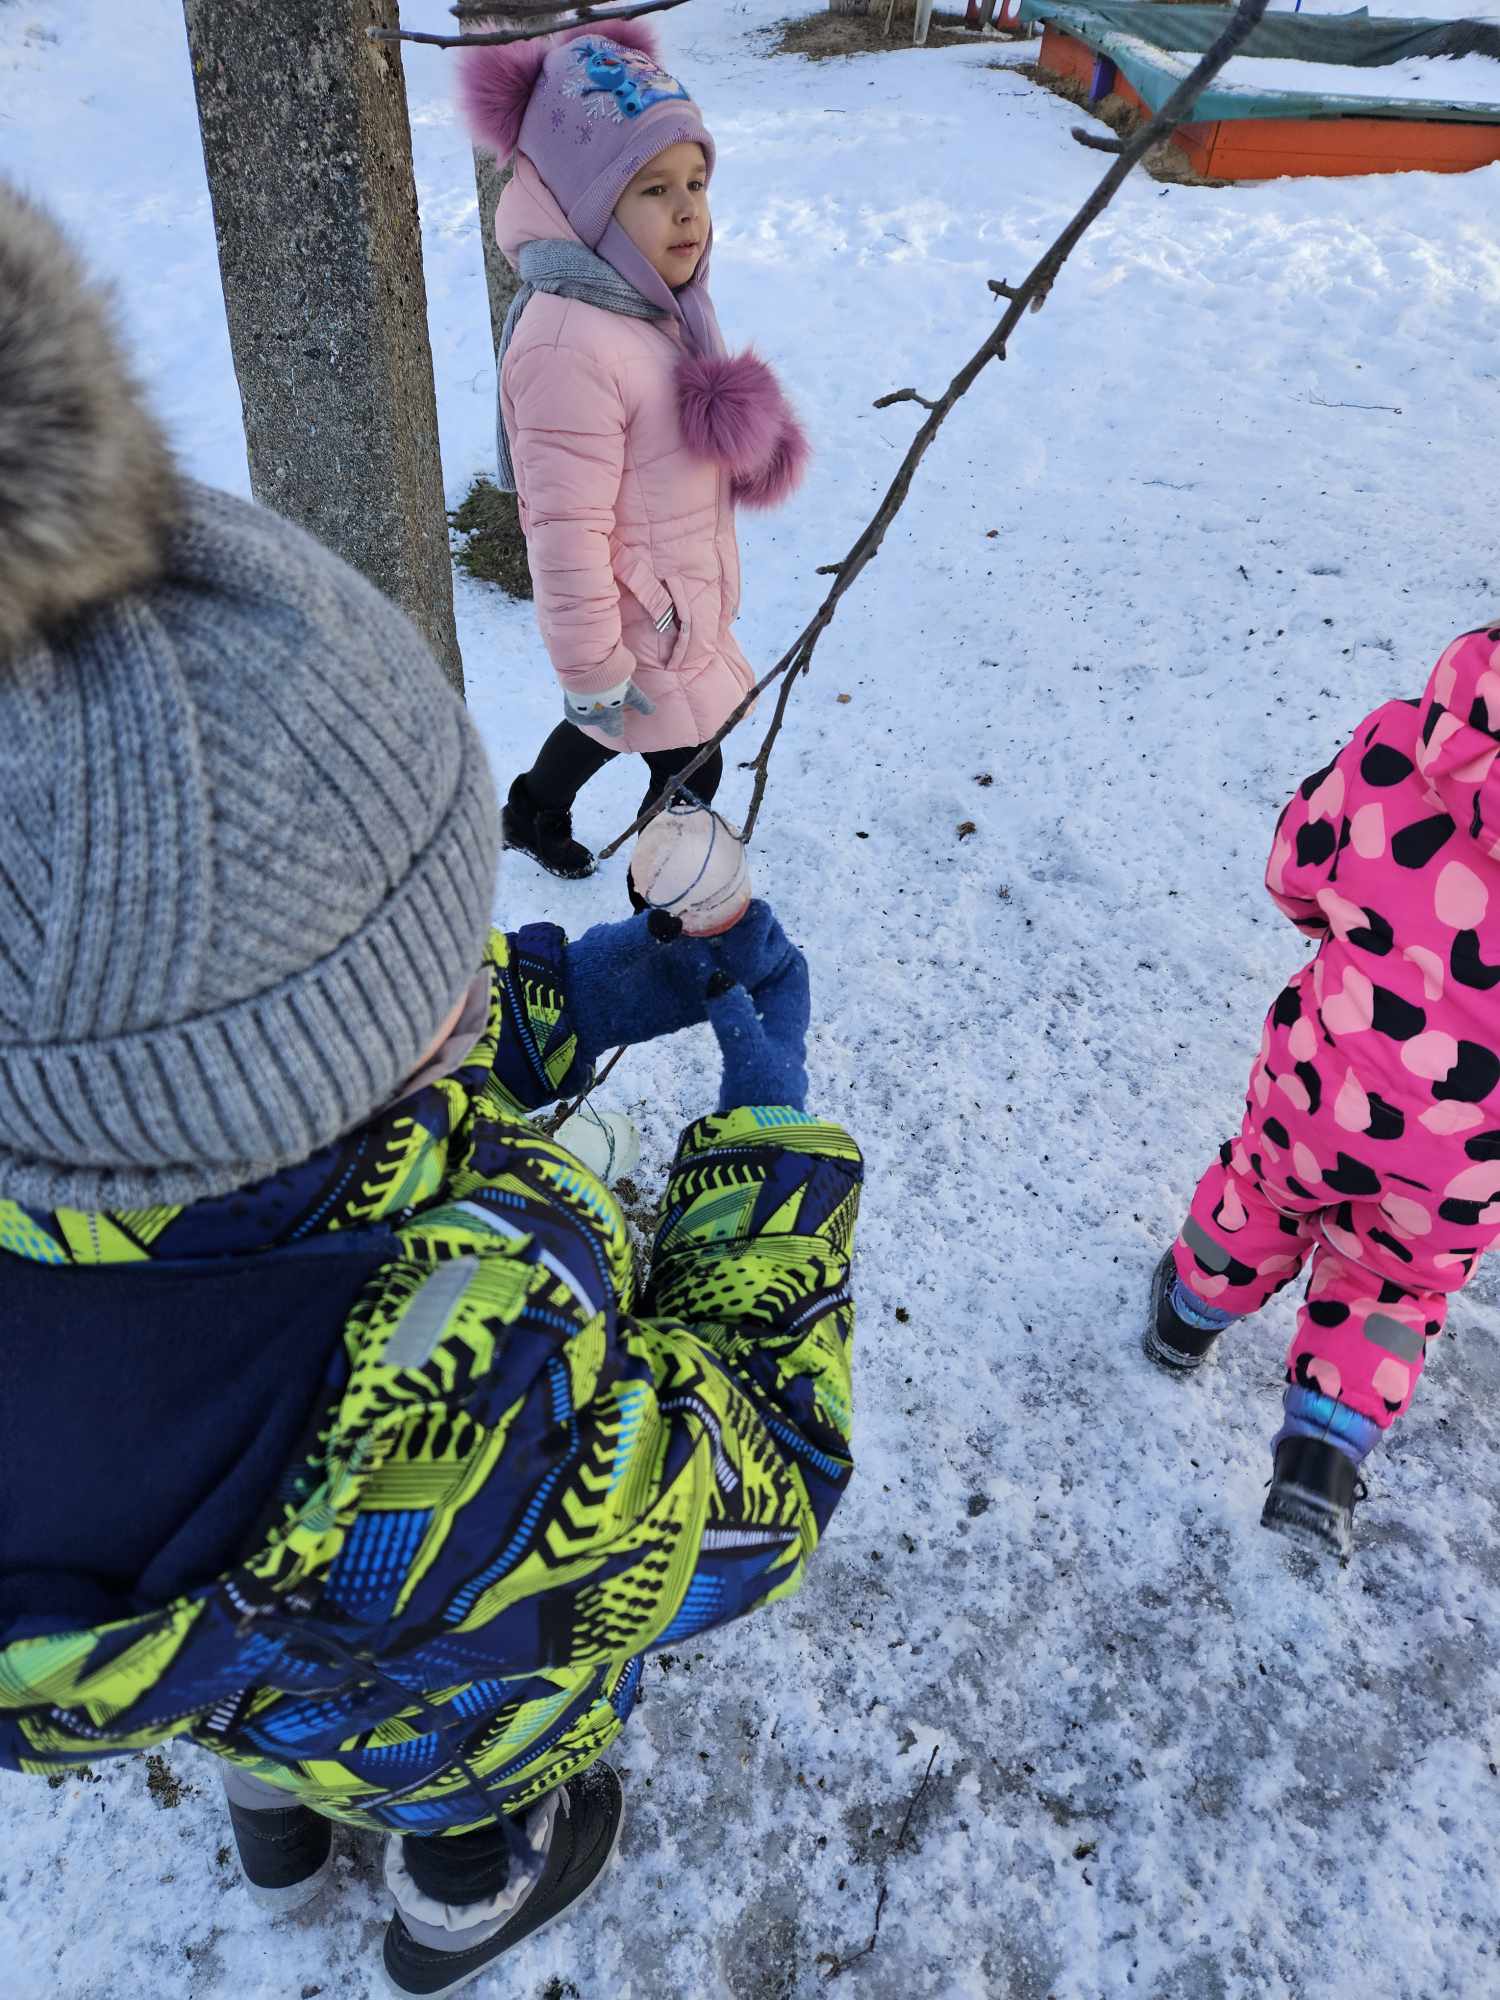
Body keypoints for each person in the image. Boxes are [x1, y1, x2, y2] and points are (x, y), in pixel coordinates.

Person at [0, 181, 860, 1998]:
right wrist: (768, 1135)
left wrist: (583, 996)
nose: (473, 994)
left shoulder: (79, 1161)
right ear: (286, 1078)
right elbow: (755, 1488)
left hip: (214, 1656)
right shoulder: (469, 1394)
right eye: (432, 988)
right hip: (449, 1680)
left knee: (253, 1685)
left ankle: (271, 1819)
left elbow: (331, 1105)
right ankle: (465, 1886)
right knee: (463, 1736)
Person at [1145, 623, 1500, 1561]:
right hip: (1467, 1163)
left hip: (1327, 1079)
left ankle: (1187, 1316)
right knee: (1393, 1282)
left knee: (1261, 1193)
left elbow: (1295, 871)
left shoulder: (1401, 743)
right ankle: (1321, 1461)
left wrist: (1353, 931)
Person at [459, 21, 809, 879]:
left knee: (606, 728)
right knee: (689, 765)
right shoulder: (569, 342)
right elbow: (561, 527)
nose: (688, 210)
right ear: (589, 205)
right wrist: (591, 664)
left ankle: (530, 813)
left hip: (670, 601)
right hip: (634, 608)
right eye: (654, 189)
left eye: (696, 181)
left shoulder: (653, 307)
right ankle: (667, 905)